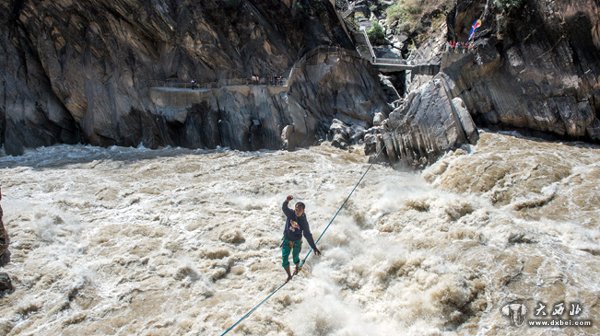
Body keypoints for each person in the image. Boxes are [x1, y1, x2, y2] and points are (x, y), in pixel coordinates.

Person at [281, 195, 320, 282]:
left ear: (303, 211)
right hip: (287, 240)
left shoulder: (303, 222)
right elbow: (284, 208)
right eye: (296, 209)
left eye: (300, 210)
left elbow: (307, 235)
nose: (297, 212)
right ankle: (289, 275)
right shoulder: (291, 213)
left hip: (297, 242)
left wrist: (314, 247)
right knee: (284, 260)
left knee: (295, 258)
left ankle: (297, 266)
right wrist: (286, 200)